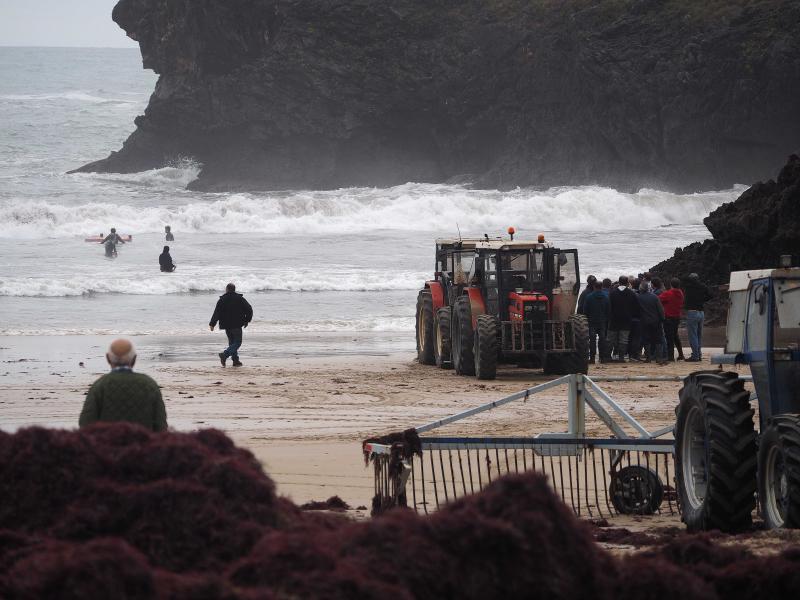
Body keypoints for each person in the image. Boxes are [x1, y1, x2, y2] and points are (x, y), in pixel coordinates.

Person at [79, 339, 167, 431]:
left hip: (107, 444)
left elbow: (85, 424)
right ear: (134, 359)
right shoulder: (149, 385)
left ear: (108, 358)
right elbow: (161, 425)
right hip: (143, 444)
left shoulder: (99, 385)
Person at [209, 283, 253, 367]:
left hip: (226, 325)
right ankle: (225, 355)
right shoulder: (240, 299)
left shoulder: (222, 299)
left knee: (232, 342)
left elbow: (217, 312)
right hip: (237, 324)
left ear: (227, 289)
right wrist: (247, 320)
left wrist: (212, 324)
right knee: (237, 342)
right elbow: (249, 309)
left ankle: (235, 361)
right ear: (234, 289)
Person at [608, 276, 639, 361]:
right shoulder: (631, 293)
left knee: (611, 339)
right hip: (627, 319)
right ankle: (621, 357)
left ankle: (607, 357)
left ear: (619, 282)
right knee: (624, 339)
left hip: (614, 319)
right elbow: (636, 307)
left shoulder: (612, 293)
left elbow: (609, 307)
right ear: (627, 282)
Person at [683, 272, 712, 362]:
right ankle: (698, 354)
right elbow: (710, 295)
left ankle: (695, 356)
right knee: (699, 335)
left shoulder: (688, 287)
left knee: (693, 335)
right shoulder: (703, 286)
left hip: (692, 312)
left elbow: (683, 279)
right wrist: (702, 300)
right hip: (701, 312)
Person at [637, 281, 666, 363]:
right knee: (658, 339)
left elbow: (637, 310)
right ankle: (659, 358)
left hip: (644, 321)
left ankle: (648, 357)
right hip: (655, 321)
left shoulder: (638, 297)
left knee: (646, 339)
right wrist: (662, 318)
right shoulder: (654, 297)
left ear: (641, 289)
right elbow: (660, 309)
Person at [584, 281, 611, 363]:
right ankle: (602, 358)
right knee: (602, 339)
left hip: (592, 321)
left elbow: (585, 310)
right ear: (602, 287)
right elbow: (608, 310)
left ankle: (592, 358)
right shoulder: (606, 297)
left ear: (594, 287)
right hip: (602, 321)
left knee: (592, 340)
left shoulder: (589, 297)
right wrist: (606, 319)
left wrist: (587, 318)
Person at [660, 277, 686, 361]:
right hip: (677, 317)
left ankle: (670, 356)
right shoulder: (681, 293)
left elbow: (658, 299)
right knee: (675, 336)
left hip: (669, 317)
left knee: (669, 337)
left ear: (671, 285)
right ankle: (681, 354)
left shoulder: (668, 293)